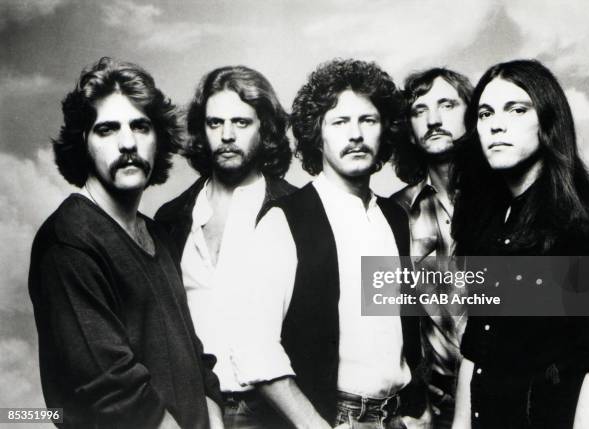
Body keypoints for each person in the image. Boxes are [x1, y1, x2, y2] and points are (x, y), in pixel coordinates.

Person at [28, 57, 223, 429]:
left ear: (157, 138)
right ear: (83, 142)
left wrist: (212, 416)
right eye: (107, 129)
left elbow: (193, 357)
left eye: (140, 126)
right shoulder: (69, 240)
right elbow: (112, 391)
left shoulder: (157, 235)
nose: (128, 142)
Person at [233, 59, 427, 428]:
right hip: (331, 418)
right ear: (317, 135)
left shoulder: (394, 217)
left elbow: (395, 330)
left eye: (367, 121)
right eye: (339, 122)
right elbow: (255, 350)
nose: (355, 134)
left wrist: (417, 409)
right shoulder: (286, 219)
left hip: (394, 417)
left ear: (384, 130)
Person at [451, 59, 589, 428]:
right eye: (485, 113)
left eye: (517, 110)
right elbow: (476, 344)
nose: (496, 124)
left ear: (549, 121)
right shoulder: (486, 218)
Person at [155, 65, 295, 428]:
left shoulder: (296, 211)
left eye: (241, 123)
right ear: (202, 130)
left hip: (275, 411)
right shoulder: (171, 218)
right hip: (194, 410)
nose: (227, 135)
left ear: (264, 128)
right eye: (215, 123)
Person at [392, 68, 473, 429]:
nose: (434, 119)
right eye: (420, 110)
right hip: (432, 410)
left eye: (447, 104)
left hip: (511, 398)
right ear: (408, 129)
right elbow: (391, 315)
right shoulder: (393, 212)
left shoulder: (509, 199)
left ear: (473, 115)